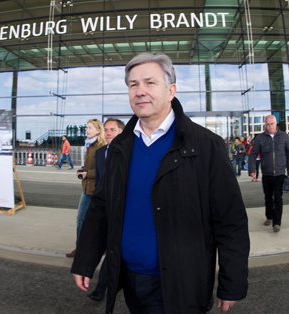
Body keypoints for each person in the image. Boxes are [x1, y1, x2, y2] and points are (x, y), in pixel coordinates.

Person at [71, 52, 250, 314]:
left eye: (149, 82)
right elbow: (101, 206)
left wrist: (232, 283)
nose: (140, 91)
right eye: (133, 85)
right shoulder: (121, 145)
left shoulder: (205, 145)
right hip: (130, 279)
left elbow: (230, 219)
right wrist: (86, 260)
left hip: (181, 283)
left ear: (171, 90)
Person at [87, 118, 125, 303]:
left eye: (113, 130)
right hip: (108, 210)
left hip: (126, 210)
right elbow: (99, 183)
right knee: (112, 249)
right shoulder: (101, 153)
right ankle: (101, 289)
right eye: (107, 130)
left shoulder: (130, 152)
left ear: (121, 133)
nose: (108, 133)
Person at [66, 119, 106, 258]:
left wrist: (87, 174)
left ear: (98, 130)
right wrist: (83, 169)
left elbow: (104, 170)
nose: (87, 130)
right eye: (86, 128)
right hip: (87, 188)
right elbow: (92, 167)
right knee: (85, 220)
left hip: (95, 189)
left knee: (86, 220)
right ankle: (82, 248)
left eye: (90, 128)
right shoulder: (89, 145)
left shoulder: (101, 147)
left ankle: (86, 248)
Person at [248, 115, 289, 233]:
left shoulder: (284, 137)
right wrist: (252, 170)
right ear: (265, 125)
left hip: (280, 173)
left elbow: (288, 155)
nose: (270, 126)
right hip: (266, 173)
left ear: (276, 124)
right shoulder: (260, 138)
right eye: (268, 124)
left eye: (272, 124)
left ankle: (277, 223)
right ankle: (269, 217)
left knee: (278, 197)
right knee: (268, 197)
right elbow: (253, 154)